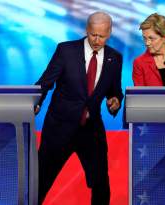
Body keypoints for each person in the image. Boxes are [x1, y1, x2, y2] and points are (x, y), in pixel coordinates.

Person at [34, 11, 123, 205]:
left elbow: (114, 91)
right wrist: (36, 103)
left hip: (91, 132)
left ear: (109, 33)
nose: (97, 40)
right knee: (39, 182)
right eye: (93, 35)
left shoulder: (115, 58)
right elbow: (45, 82)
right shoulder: (66, 51)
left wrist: (115, 101)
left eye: (102, 36)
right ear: (86, 30)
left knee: (101, 185)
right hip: (60, 129)